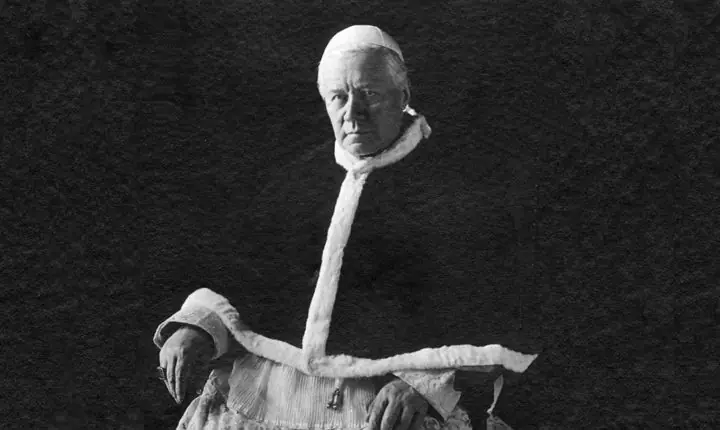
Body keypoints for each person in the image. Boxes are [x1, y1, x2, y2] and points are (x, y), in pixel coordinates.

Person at [154, 25, 539, 430]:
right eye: (339, 97)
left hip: (385, 401)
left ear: (403, 96)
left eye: (369, 94)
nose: (353, 113)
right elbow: (244, 277)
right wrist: (199, 326)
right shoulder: (295, 180)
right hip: (272, 389)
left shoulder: (456, 187)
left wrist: (426, 385)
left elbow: (492, 307)